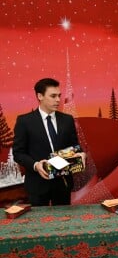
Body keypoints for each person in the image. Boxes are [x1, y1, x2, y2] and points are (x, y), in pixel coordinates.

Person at [13, 78, 85, 206]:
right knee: (39, 224)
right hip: (37, 185)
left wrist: (81, 154)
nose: (58, 100)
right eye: (53, 96)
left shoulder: (67, 120)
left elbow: (75, 146)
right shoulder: (24, 122)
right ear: (40, 96)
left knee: (64, 221)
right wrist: (36, 165)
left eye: (59, 96)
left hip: (63, 184)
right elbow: (18, 153)